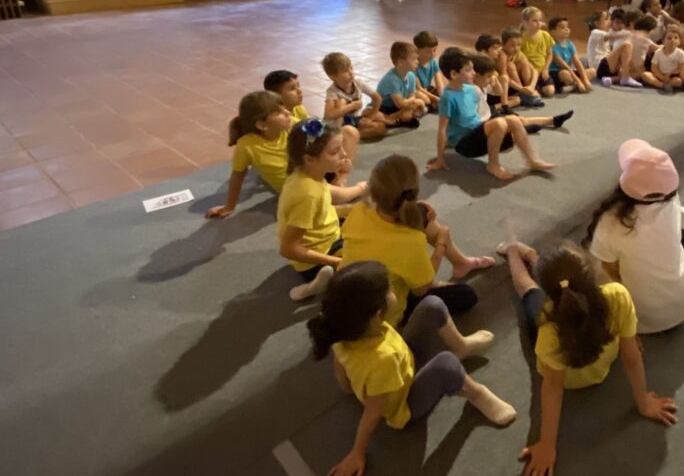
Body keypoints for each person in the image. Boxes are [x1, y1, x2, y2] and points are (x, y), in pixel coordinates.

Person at [309, 262, 515, 476]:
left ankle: (463, 345)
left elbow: (340, 367)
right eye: (389, 291)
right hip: (406, 404)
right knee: (446, 363)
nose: (393, 292)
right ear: (377, 314)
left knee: (432, 304)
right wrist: (357, 452)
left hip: (404, 362)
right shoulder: (382, 360)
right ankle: (477, 394)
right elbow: (373, 411)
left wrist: (349, 388)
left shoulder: (347, 332)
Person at [501, 243, 678, 476]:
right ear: (593, 275)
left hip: (556, 326)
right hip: (575, 320)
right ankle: (526, 254)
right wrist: (643, 401)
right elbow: (632, 356)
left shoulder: (548, 326)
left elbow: (553, 386)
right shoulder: (618, 296)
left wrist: (547, 444)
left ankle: (515, 251)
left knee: (527, 289)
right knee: (537, 286)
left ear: (550, 294)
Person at [340, 154, 493, 323]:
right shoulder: (411, 241)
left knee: (421, 214)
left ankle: (460, 263)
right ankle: (448, 267)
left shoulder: (359, 210)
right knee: (466, 295)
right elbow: (421, 289)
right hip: (379, 316)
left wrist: (418, 208)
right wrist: (441, 243)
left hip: (345, 292)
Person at [583, 139, 684, 333]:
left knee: (595, 273)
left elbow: (612, 275)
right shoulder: (672, 201)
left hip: (643, 317)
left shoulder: (611, 222)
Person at [429, 48, 555, 181]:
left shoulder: (471, 89)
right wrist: (440, 159)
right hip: (464, 144)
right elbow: (442, 129)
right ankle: (493, 165)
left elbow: (491, 98)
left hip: (477, 134)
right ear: (454, 74)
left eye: (473, 69)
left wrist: (495, 82)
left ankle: (532, 160)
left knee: (513, 119)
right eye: (468, 70)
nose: (473, 73)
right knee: (499, 123)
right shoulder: (447, 97)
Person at [277, 119, 367, 301]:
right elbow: (288, 248)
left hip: (327, 234)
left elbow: (327, 204)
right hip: (317, 259)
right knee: (372, 267)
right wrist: (337, 261)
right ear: (309, 159)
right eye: (334, 151)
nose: (344, 154)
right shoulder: (308, 194)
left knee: (368, 219)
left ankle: (327, 277)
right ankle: (316, 283)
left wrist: (356, 200)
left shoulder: (309, 175)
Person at [205, 91, 292, 219]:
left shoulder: (292, 126)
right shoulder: (247, 147)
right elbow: (237, 176)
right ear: (262, 125)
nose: (288, 112)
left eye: (284, 108)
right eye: (279, 112)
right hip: (295, 189)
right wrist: (229, 207)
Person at [471, 53, 574, 132]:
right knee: (512, 122)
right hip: (483, 120)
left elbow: (499, 92)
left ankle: (553, 120)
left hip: (488, 114)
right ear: (476, 76)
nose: (490, 79)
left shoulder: (483, 85)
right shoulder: (473, 90)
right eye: (488, 76)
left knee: (519, 119)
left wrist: (495, 81)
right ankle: (521, 129)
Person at [322, 52, 391, 139]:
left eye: (351, 68)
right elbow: (329, 114)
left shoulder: (358, 83)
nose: (351, 72)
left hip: (354, 120)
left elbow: (377, 98)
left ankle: (352, 135)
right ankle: (341, 135)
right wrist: (351, 106)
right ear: (333, 76)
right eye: (345, 71)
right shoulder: (332, 91)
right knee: (341, 102)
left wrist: (370, 118)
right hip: (337, 125)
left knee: (380, 126)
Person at [377, 42, 428, 125]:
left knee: (419, 104)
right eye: (414, 59)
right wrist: (413, 103)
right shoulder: (392, 79)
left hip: (400, 106)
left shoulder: (411, 76)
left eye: (417, 59)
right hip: (385, 108)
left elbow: (412, 95)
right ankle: (391, 119)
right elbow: (400, 104)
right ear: (401, 62)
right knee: (417, 106)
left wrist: (412, 102)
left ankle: (397, 119)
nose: (417, 62)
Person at [500, 26, 545, 108]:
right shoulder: (502, 55)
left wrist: (531, 86)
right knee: (510, 65)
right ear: (503, 45)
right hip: (507, 86)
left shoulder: (518, 53)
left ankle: (528, 91)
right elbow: (504, 77)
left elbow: (534, 70)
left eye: (519, 45)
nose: (516, 49)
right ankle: (524, 94)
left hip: (520, 85)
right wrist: (521, 89)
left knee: (524, 62)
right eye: (512, 46)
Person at [548, 16, 593, 93]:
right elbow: (564, 66)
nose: (567, 29)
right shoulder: (552, 46)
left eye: (567, 27)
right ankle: (576, 84)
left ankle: (577, 85)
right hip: (556, 73)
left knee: (592, 71)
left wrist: (585, 79)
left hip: (569, 71)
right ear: (553, 32)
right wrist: (578, 81)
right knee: (565, 74)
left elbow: (577, 62)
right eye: (562, 27)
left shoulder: (570, 44)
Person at [519, 7, 557, 98]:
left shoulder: (545, 35)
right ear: (525, 22)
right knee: (534, 95)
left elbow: (549, 54)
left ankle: (538, 88)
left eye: (540, 20)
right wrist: (532, 70)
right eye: (535, 21)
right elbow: (521, 58)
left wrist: (546, 69)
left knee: (550, 91)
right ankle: (531, 88)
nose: (539, 23)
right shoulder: (521, 38)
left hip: (542, 71)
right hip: (529, 72)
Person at [475, 33, 519, 110]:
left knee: (517, 99)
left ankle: (495, 107)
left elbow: (499, 91)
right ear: (483, 51)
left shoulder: (492, 61)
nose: (498, 51)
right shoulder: (478, 64)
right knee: (504, 78)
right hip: (482, 94)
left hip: (492, 93)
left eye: (499, 48)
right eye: (495, 48)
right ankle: (503, 107)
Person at [641, 25, 684, 91]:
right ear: (663, 41)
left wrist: (671, 74)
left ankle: (669, 84)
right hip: (660, 75)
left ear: (679, 41)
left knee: (678, 81)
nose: (672, 40)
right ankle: (661, 85)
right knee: (645, 75)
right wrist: (662, 77)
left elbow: (681, 68)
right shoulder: (658, 52)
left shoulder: (680, 53)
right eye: (669, 38)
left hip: (672, 76)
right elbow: (654, 67)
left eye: (676, 38)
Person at [412, 31, 446, 110]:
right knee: (424, 99)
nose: (433, 54)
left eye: (434, 50)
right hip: (416, 91)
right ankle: (428, 106)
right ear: (417, 50)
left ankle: (430, 106)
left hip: (427, 89)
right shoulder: (413, 65)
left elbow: (439, 82)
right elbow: (418, 88)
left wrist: (443, 97)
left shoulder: (433, 62)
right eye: (428, 52)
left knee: (448, 93)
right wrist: (435, 98)